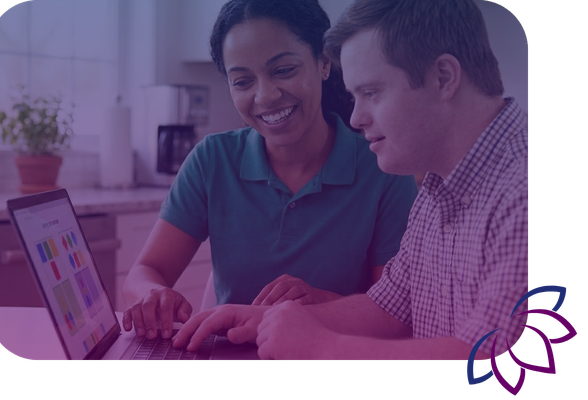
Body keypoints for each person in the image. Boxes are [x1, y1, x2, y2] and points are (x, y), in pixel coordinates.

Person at [171, 0, 529, 361]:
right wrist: (262, 317)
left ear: (443, 78)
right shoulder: (439, 189)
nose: (355, 118)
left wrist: (323, 346)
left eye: (371, 93)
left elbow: (501, 360)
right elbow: (390, 308)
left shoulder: (519, 193)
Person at [122, 0, 417, 341]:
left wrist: (320, 304)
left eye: (283, 70)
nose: (265, 96)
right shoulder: (212, 160)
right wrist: (151, 295)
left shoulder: (381, 168)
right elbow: (145, 271)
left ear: (323, 62)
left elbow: (396, 314)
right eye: (243, 81)